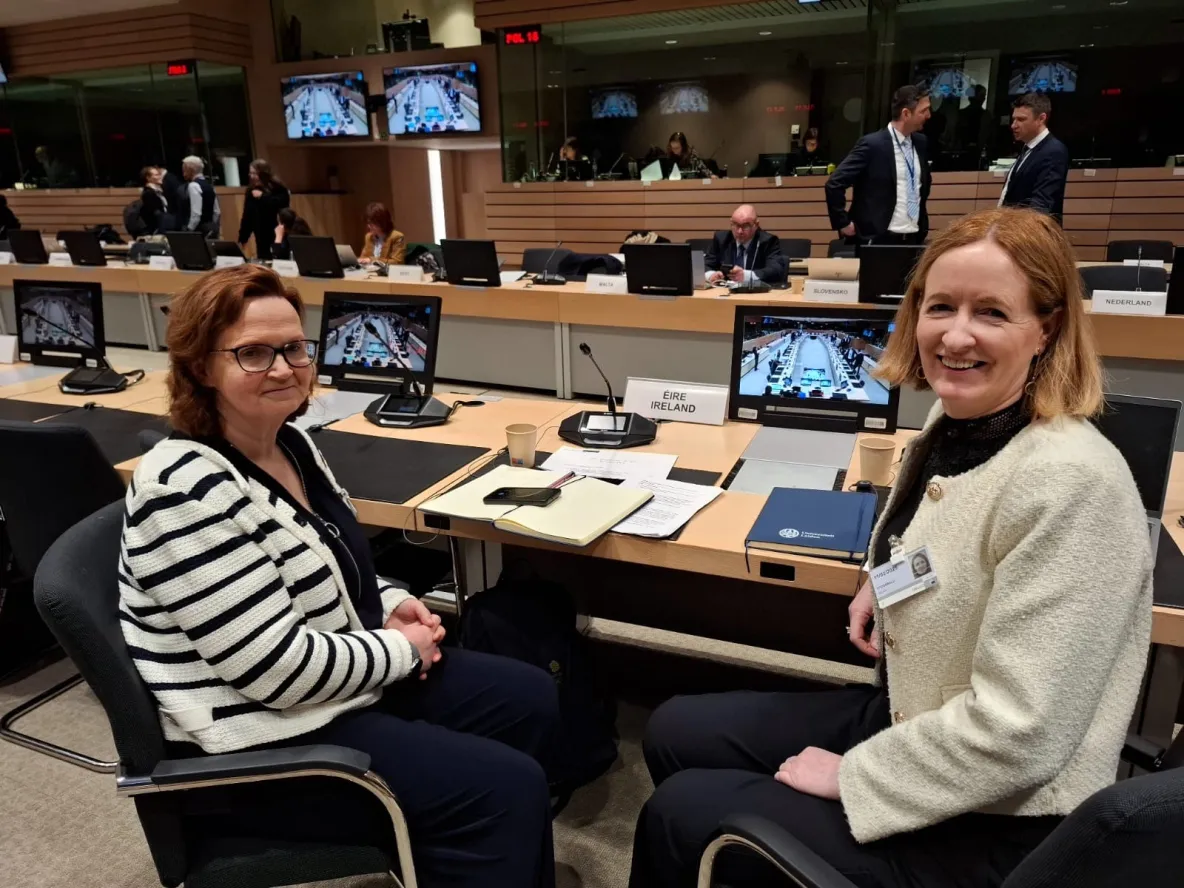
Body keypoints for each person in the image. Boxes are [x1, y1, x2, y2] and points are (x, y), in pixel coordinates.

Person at [630, 207, 1153, 888]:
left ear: (1046, 328)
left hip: (1001, 816)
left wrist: (854, 775)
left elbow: (1018, 736)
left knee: (679, 813)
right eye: (941, 306)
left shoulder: (1074, 483)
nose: (956, 334)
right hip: (918, 711)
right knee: (674, 729)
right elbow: (935, 530)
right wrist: (885, 577)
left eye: (992, 313)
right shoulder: (956, 415)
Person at [119, 264, 560, 888]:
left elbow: (333, 567)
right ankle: (478, 834)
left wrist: (391, 603)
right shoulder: (183, 492)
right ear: (198, 366)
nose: (282, 368)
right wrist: (399, 651)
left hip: (332, 685)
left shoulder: (290, 443)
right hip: (267, 739)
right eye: (252, 353)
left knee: (528, 698)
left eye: (294, 348)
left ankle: (469, 853)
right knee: (504, 787)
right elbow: (275, 673)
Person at [825, 85, 933, 246]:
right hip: (878, 239)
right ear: (906, 113)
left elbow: (922, 186)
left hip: (914, 237)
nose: (928, 115)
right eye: (923, 111)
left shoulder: (920, 143)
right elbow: (835, 183)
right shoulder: (872, 145)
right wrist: (842, 222)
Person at [998, 93, 1069, 224]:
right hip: (1012, 231)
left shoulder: (1053, 151)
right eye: (1014, 119)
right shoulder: (1028, 148)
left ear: (1041, 118)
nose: (1013, 125)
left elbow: (1041, 206)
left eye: (1021, 119)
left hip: (1030, 236)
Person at [704, 204, 788, 287]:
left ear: (756, 225)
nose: (740, 231)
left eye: (745, 226)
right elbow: (705, 265)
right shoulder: (721, 239)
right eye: (736, 225)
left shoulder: (768, 241)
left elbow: (776, 270)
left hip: (755, 295)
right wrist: (711, 275)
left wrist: (746, 276)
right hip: (723, 293)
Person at [237, 159, 290, 260]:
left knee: (279, 259)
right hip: (260, 233)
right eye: (250, 173)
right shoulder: (251, 190)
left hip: (277, 231)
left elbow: (282, 205)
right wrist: (243, 237)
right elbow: (248, 215)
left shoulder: (278, 188)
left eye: (254, 173)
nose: (251, 175)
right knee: (264, 259)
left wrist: (263, 197)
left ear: (263, 174)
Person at [182, 155, 221, 239]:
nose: (183, 173)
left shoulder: (193, 186)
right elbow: (217, 211)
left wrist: (189, 230)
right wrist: (212, 225)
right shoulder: (209, 186)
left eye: (184, 170)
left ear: (190, 170)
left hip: (200, 230)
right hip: (211, 228)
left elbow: (196, 214)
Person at [359, 201, 406, 265]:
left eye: (372, 223)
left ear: (382, 222)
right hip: (369, 272)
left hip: (387, 273)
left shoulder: (397, 236)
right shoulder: (368, 237)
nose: (369, 226)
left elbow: (397, 262)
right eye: (368, 223)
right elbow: (363, 258)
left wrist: (372, 260)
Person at [138, 166, 172, 234]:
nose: (160, 176)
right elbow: (154, 213)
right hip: (156, 229)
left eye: (159, 174)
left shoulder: (159, 191)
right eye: (156, 175)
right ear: (148, 178)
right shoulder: (148, 193)